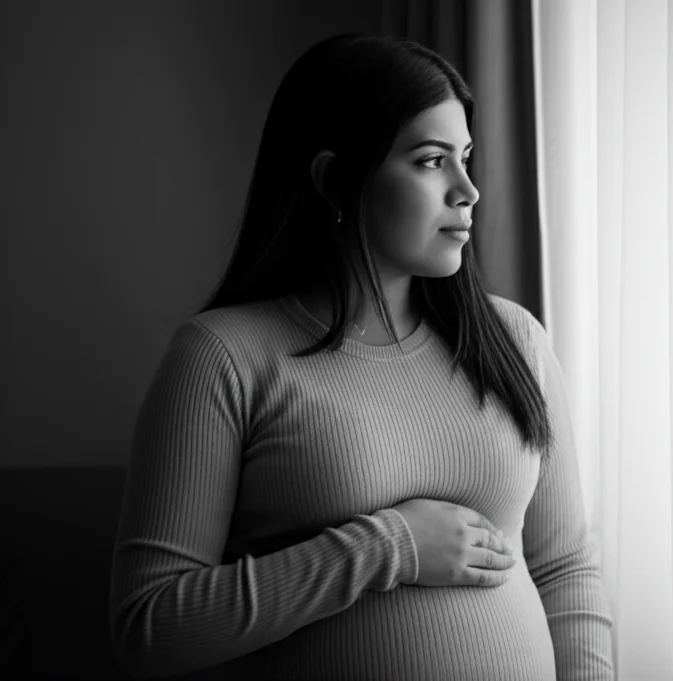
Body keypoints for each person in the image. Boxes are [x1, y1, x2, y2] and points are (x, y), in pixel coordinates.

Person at [107, 32, 614, 681]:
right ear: (335, 179)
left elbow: (566, 569)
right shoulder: (222, 357)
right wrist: (388, 547)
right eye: (431, 161)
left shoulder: (515, 339)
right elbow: (149, 625)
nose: (468, 190)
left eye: (466, 157)